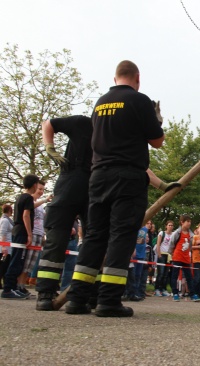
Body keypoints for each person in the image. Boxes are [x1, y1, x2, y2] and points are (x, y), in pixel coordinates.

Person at [36, 109, 177, 311]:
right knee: (57, 240)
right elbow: (48, 123)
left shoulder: (115, 133)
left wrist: (163, 185)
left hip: (95, 188)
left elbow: (135, 165)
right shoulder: (81, 123)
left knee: (96, 241)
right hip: (70, 182)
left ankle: (89, 293)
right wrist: (49, 146)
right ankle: (46, 292)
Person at [65, 60, 165, 317]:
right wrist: (156, 120)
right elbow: (157, 141)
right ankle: (108, 300)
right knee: (121, 235)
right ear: (137, 77)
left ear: (115, 76)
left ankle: (77, 298)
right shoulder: (140, 100)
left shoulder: (100, 102)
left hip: (98, 176)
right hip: (128, 176)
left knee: (95, 235)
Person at [1, 174, 39, 299]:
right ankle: (7, 289)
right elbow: (26, 215)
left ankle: (12, 287)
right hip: (21, 231)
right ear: (34, 185)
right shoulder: (28, 198)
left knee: (19, 261)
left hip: (17, 231)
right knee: (17, 261)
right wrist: (29, 234)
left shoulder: (20, 197)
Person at [167, 215, 194, 302]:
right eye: (187, 221)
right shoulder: (177, 233)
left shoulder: (191, 235)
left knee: (189, 277)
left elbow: (190, 246)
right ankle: (175, 293)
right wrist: (172, 253)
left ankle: (192, 294)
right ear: (182, 222)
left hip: (186, 258)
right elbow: (171, 244)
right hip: (177, 257)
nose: (189, 223)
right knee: (174, 276)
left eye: (190, 221)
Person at [132, 220, 151, 301]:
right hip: (134, 255)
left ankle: (137, 293)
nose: (149, 225)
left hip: (141, 255)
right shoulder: (134, 227)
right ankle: (131, 293)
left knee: (138, 275)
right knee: (132, 275)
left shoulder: (145, 229)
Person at [154, 221, 174, 297]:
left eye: (172, 225)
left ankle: (163, 289)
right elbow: (158, 243)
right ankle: (157, 289)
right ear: (166, 226)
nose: (171, 227)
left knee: (166, 274)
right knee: (161, 273)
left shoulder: (173, 234)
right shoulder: (162, 233)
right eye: (169, 225)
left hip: (169, 255)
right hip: (162, 254)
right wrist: (159, 254)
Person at [0, 204, 14, 288]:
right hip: (5, 247)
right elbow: (3, 233)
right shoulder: (5, 220)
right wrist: (3, 246)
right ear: (9, 210)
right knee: (3, 266)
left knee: (5, 266)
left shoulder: (7, 220)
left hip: (8, 246)